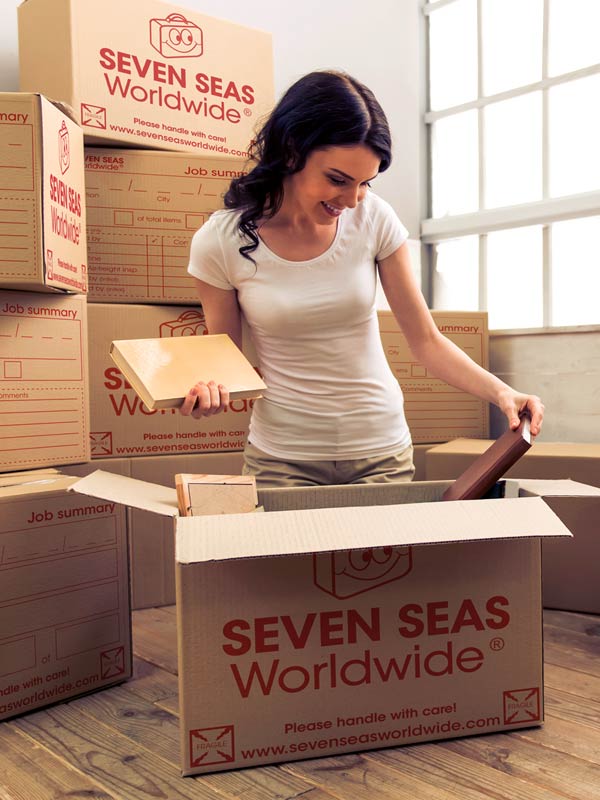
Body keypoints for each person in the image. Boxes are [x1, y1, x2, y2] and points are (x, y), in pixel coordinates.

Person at [180, 70, 544, 488]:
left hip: (380, 453)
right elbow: (224, 361)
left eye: (365, 183)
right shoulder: (220, 241)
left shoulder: (374, 219)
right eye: (337, 179)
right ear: (292, 150)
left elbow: (426, 342)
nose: (351, 200)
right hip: (282, 459)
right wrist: (206, 391)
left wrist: (503, 394)